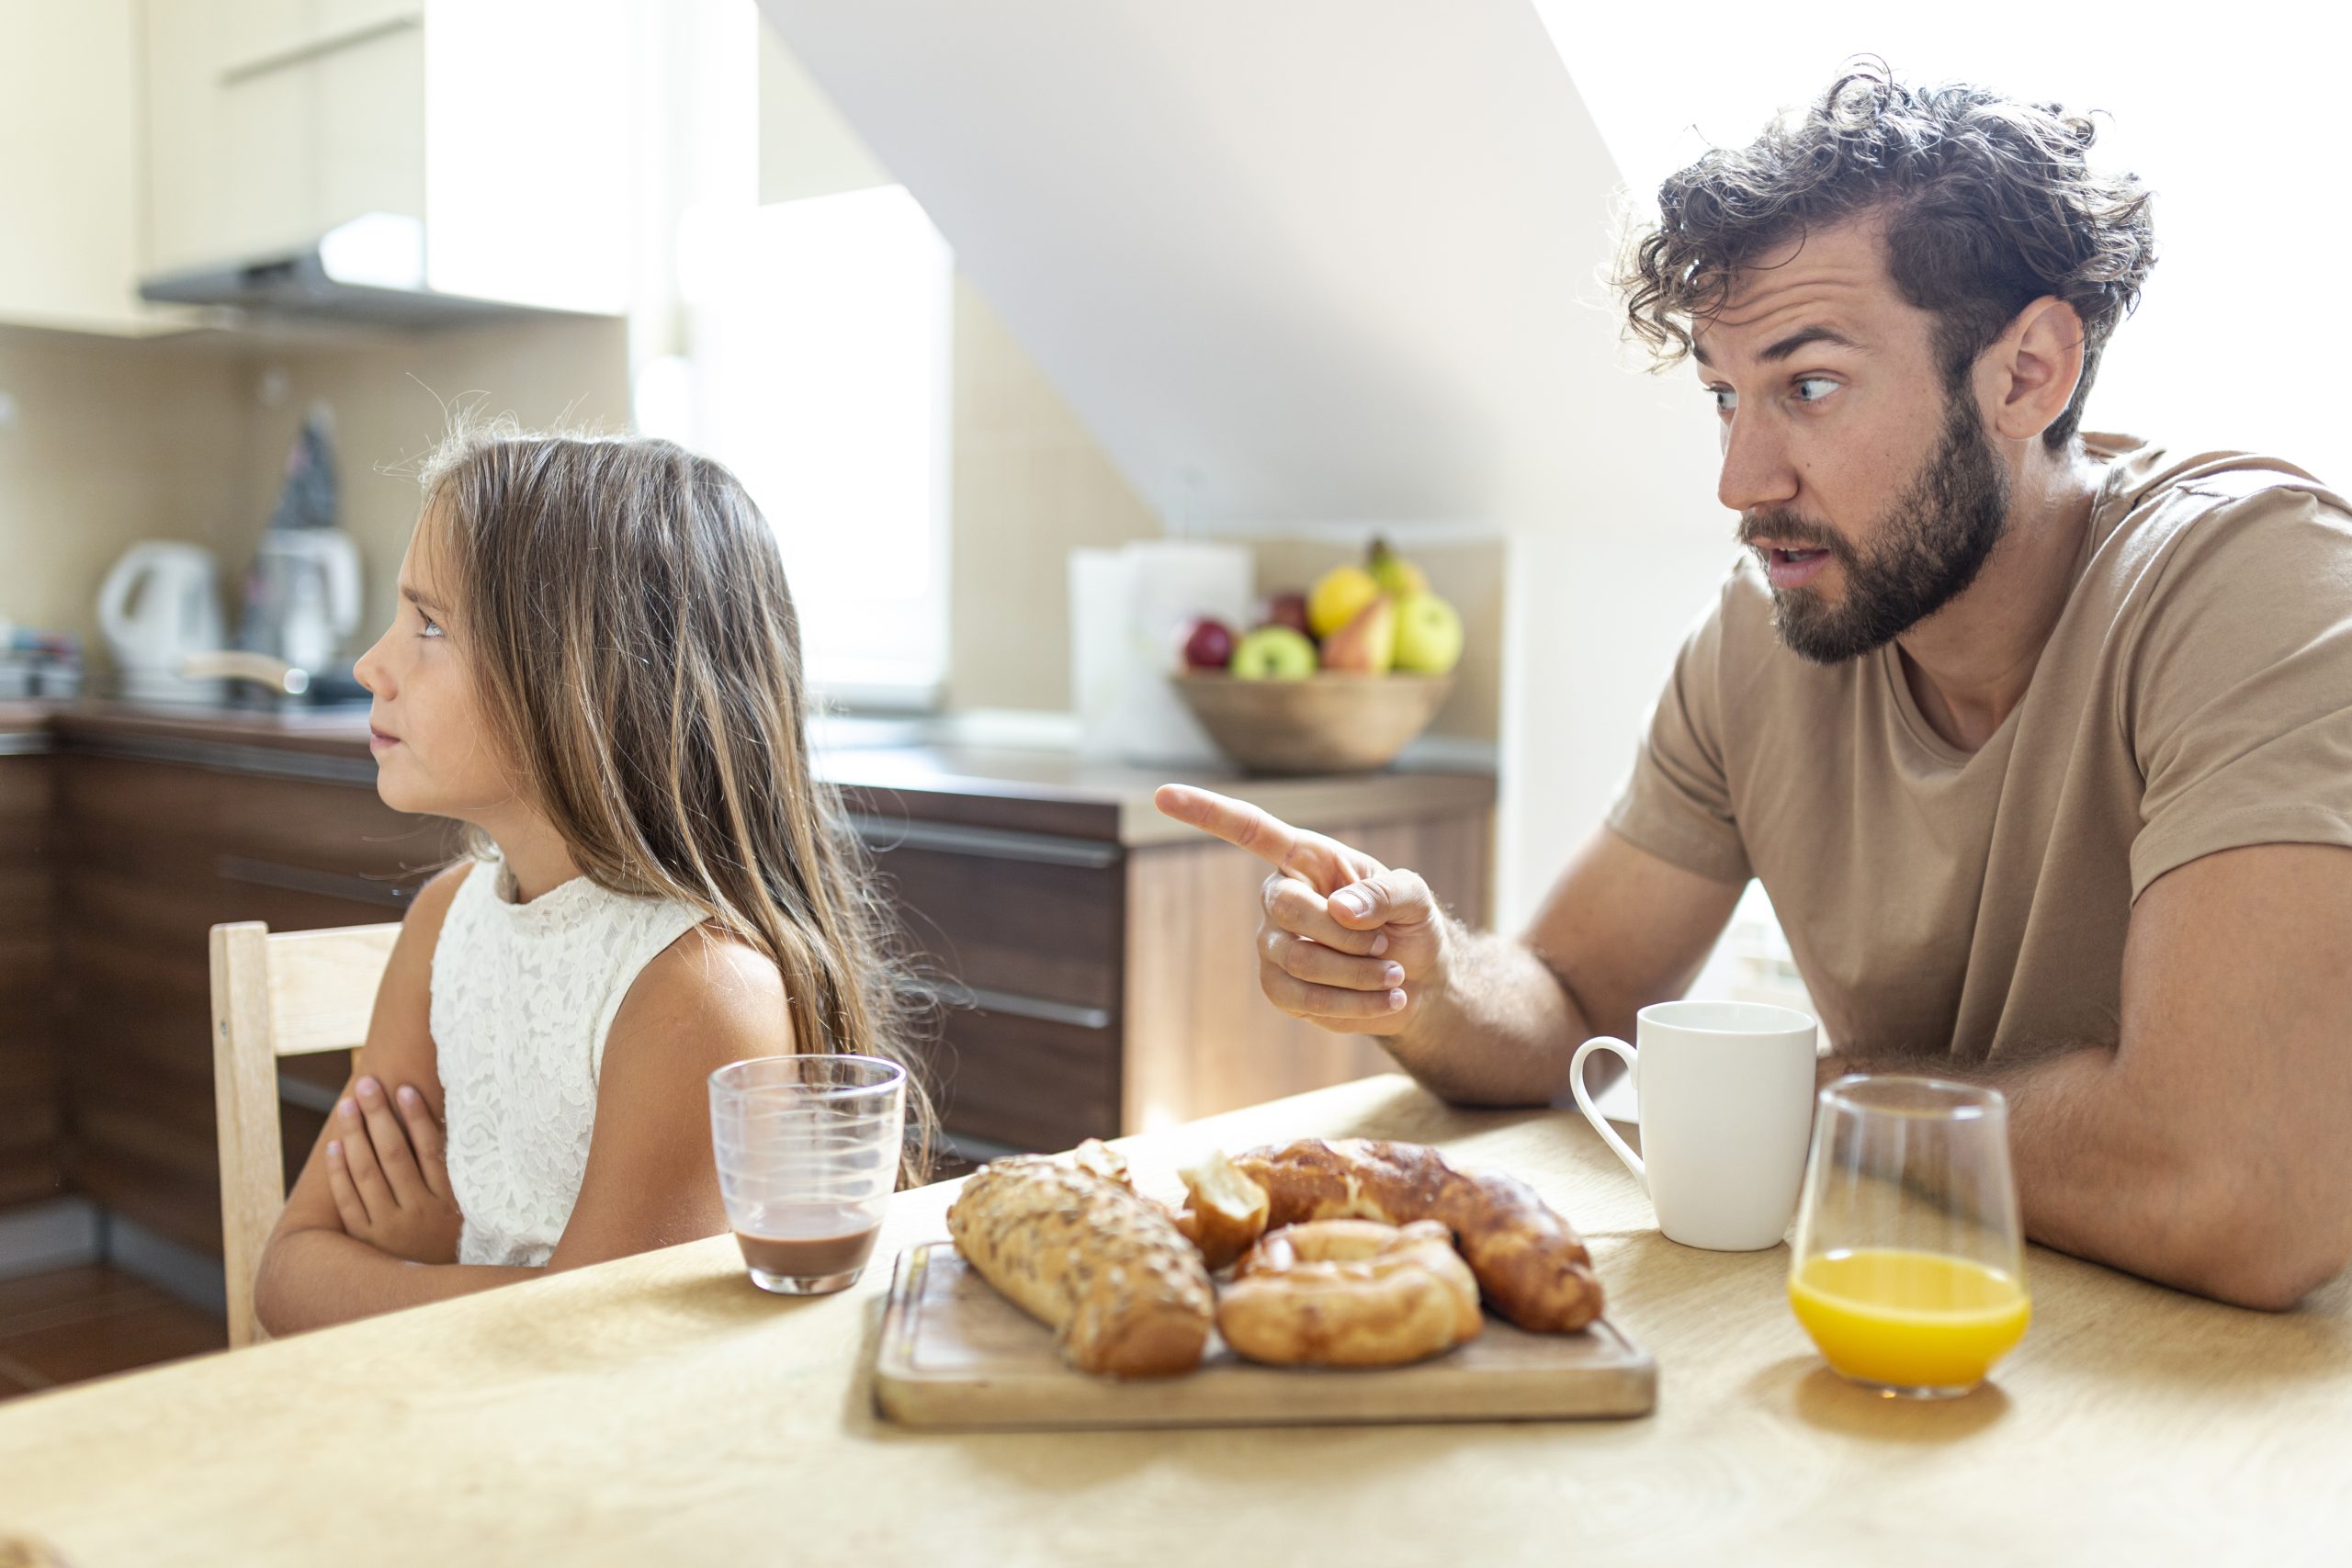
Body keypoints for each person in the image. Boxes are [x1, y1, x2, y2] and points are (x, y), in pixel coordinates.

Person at [1158, 63, 2352, 1311]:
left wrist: (1813, 1093)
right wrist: (1424, 970)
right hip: (1924, 1324)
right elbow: (1571, 1003)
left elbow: (2240, 1190)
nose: (1739, 477)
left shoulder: (2260, 585)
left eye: (1809, 385)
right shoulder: (1766, 633)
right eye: (1725, 395)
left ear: (2029, 370)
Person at [254, 423, 933, 1334]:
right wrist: (477, 1279)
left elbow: (596, 1338)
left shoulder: (695, 990)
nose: (370, 665)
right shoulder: (445, 921)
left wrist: (430, 1255)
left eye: (428, 624)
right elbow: (287, 1273)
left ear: (581, 678)